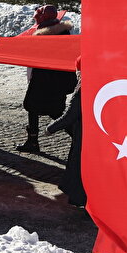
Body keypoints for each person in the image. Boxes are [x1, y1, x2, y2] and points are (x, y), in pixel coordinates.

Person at [17, 6, 76, 153]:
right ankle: (78, 136)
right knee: (55, 111)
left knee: (34, 107)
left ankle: (33, 141)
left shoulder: (43, 35)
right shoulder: (64, 32)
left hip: (44, 80)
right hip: (59, 79)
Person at [45, 57, 85, 207]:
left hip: (83, 136)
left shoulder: (82, 89)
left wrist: (50, 128)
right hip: (91, 135)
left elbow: (70, 116)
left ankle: (79, 199)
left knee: (78, 168)